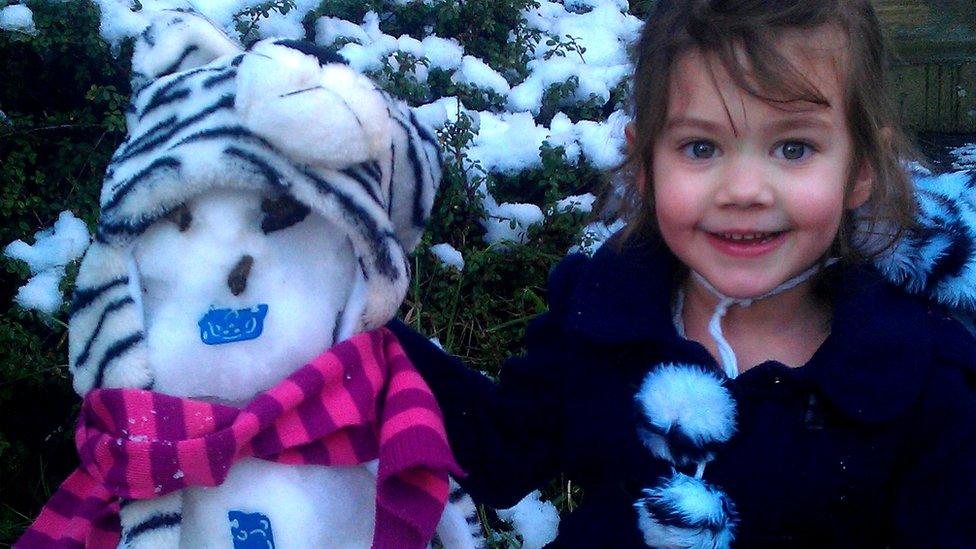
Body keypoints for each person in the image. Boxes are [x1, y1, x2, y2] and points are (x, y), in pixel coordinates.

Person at [389, 1, 976, 546]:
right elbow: (499, 455)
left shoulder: (923, 383)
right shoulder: (600, 317)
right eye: (700, 148)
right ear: (645, 162)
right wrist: (359, 329)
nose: (744, 191)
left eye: (794, 148)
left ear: (861, 170)